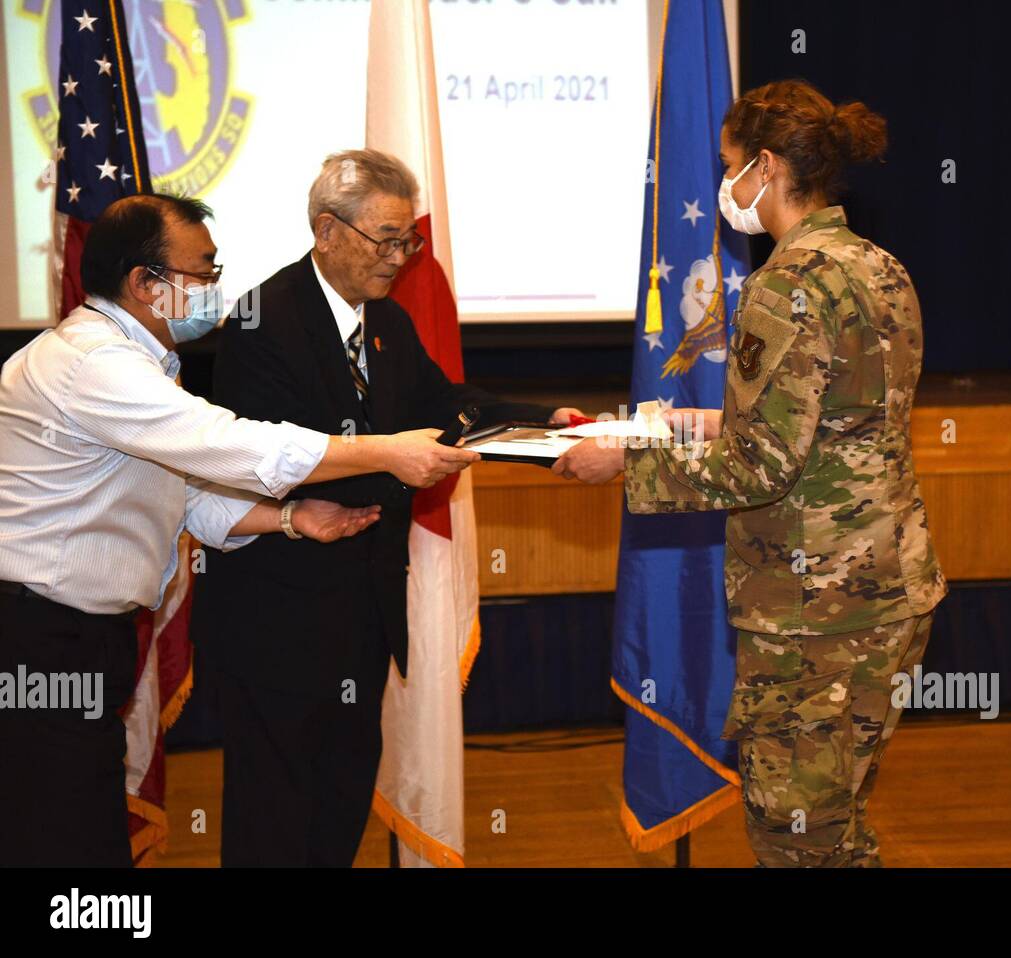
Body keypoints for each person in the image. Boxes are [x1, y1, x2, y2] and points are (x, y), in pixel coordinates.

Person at [0, 193, 474, 867]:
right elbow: (232, 446)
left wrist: (289, 517)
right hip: (38, 636)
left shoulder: (140, 363)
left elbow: (187, 495)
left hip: (77, 634)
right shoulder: (93, 364)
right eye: (202, 274)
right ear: (144, 283)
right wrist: (385, 450)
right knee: (61, 835)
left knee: (72, 827)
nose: (215, 292)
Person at [554, 80, 947, 867]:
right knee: (837, 827)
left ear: (767, 167)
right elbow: (827, 421)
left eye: (731, 164)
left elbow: (760, 464)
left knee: (796, 839)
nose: (724, 184)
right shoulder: (878, 267)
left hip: (816, 614)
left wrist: (622, 463)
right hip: (887, 590)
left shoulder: (787, 284)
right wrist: (644, 426)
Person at [190, 149, 584, 867]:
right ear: (327, 230)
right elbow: (276, 459)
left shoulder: (388, 324)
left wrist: (539, 420)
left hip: (362, 615)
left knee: (340, 801)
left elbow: (447, 407)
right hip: (279, 619)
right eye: (386, 239)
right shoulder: (261, 320)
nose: (400, 256)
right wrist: (396, 457)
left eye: (409, 240)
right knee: (275, 816)